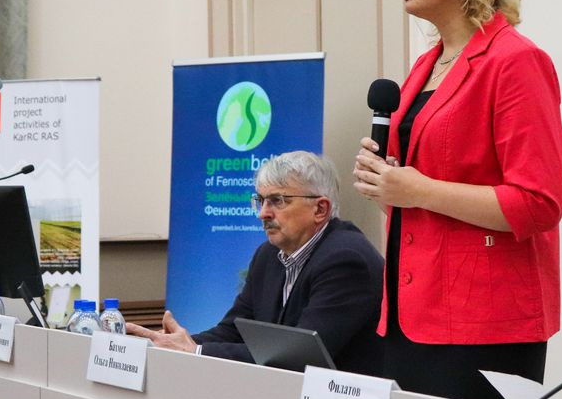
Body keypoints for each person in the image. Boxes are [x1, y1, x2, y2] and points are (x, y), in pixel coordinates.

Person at [352, 0, 562, 399]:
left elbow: (538, 203)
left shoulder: (515, 61)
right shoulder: (425, 66)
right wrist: (386, 184)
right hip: (409, 309)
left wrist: (418, 189)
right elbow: (418, 199)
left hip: (481, 321)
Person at [127, 151, 384, 374]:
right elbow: (233, 331)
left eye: (277, 201)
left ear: (320, 209)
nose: (263, 213)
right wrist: (170, 344)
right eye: (260, 201)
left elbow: (299, 357)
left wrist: (196, 351)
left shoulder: (347, 260)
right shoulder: (268, 255)